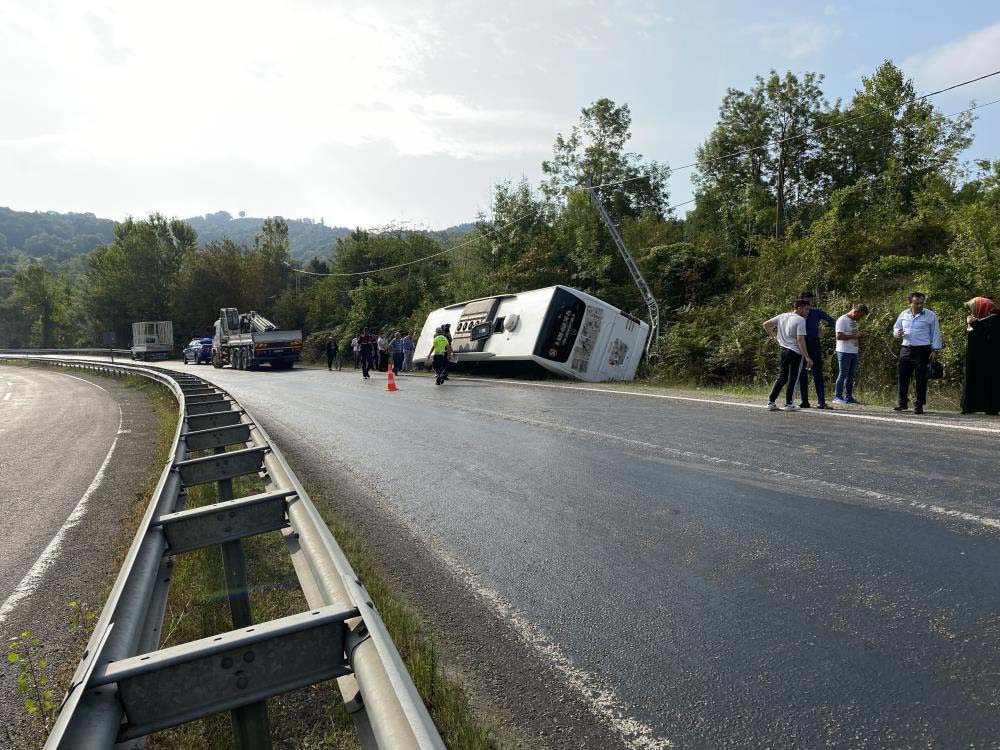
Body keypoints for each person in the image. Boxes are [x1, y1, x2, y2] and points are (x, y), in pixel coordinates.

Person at [893, 292, 943, 415]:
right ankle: (902, 402)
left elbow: (935, 333)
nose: (920, 305)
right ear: (910, 303)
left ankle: (919, 405)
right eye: (917, 303)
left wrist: (935, 350)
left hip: (922, 350)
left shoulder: (930, 315)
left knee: (921, 378)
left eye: (922, 303)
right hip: (906, 348)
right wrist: (897, 333)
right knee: (903, 376)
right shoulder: (904, 314)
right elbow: (895, 328)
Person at [763, 299, 814, 411]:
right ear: (799, 308)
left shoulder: (782, 316)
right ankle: (789, 403)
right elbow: (800, 340)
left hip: (783, 350)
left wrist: (774, 338)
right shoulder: (800, 320)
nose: (808, 311)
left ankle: (771, 401)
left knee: (782, 376)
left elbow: (766, 325)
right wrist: (806, 356)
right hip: (795, 352)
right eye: (806, 309)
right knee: (793, 378)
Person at [796, 291, 836, 409]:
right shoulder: (797, 314)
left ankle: (821, 402)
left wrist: (823, 331)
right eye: (807, 299)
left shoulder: (816, 312)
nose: (810, 301)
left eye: (811, 299)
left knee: (817, 372)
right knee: (802, 373)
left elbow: (832, 321)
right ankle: (804, 401)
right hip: (801, 344)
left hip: (814, 343)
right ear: (801, 300)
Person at [961, 296, 1000, 415]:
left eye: (973, 308)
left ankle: (991, 407)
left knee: (989, 382)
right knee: (973, 379)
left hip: (989, 359)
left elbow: (990, 338)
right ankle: (970, 406)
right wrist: (973, 324)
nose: (971, 311)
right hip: (975, 359)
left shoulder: (995, 320)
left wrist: (975, 324)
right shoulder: (978, 319)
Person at [832, 304, 869, 405]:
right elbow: (838, 336)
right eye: (860, 316)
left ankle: (849, 397)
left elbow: (853, 334)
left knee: (851, 375)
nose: (860, 318)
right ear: (855, 312)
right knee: (843, 373)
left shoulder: (855, 321)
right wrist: (854, 336)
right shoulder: (842, 320)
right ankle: (837, 396)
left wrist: (860, 335)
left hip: (853, 351)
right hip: (844, 351)